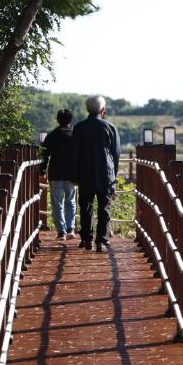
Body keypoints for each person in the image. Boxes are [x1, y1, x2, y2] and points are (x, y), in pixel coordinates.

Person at [73, 95, 121, 252]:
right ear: (103, 110)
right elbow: (116, 153)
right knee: (104, 207)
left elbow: (75, 153)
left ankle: (87, 239)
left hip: (84, 172)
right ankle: (101, 240)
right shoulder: (110, 127)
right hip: (105, 173)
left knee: (86, 207)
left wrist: (75, 175)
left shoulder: (79, 127)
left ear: (87, 109)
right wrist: (114, 174)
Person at [40, 109, 78, 240]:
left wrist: (42, 170)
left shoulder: (52, 136)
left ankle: (61, 231)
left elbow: (44, 155)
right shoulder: (75, 135)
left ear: (57, 120)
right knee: (71, 202)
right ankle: (70, 229)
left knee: (57, 204)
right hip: (72, 174)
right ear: (70, 120)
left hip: (56, 173)